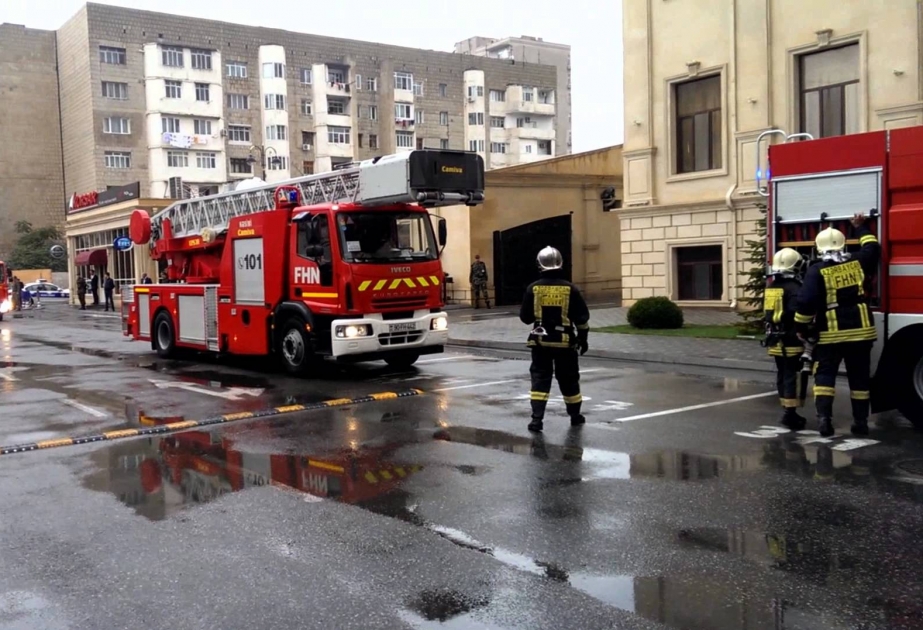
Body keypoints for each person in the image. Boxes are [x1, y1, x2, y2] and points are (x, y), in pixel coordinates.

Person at [794, 213, 881, 437]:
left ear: (819, 248)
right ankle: (860, 422)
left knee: (825, 376)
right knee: (859, 378)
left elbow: (805, 302)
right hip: (862, 333)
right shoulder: (859, 260)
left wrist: (802, 328)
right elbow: (872, 247)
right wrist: (861, 227)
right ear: (843, 244)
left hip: (831, 335)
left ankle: (825, 420)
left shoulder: (816, 270)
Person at [519, 246, 590, 432]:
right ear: (561, 263)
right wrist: (583, 339)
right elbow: (582, 319)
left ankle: (536, 420)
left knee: (540, 379)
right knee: (569, 379)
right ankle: (575, 416)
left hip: (540, 343)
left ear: (539, 265)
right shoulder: (570, 289)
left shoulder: (532, 289)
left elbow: (525, 318)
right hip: (565, 343)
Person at [763, 248, 808, 431]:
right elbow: (797, 314)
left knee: (782, 374)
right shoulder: (796, 288)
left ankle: (786, 409)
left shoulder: (772, 286)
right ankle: (791, 413)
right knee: (793, 375)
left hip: (775, 338)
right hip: (791, 339)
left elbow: (768, 314)